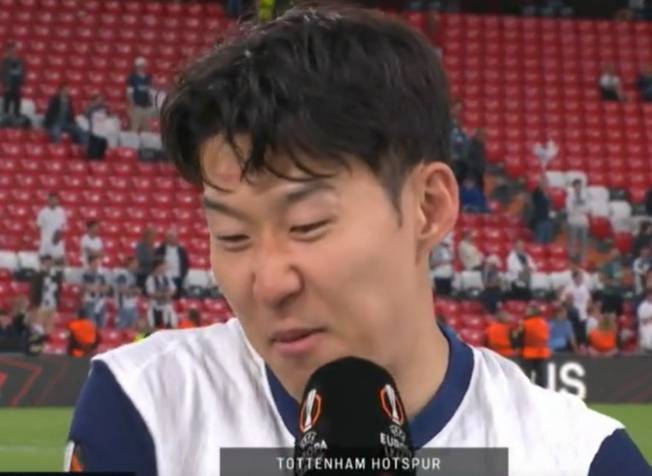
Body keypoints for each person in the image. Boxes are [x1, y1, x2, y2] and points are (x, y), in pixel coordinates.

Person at [64, 5, 650, 475]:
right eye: (232, 234)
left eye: (307, 225)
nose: (268, 283)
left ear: (427, 207)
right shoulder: (145, 410)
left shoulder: (580, 459)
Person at [514, 305, 550, 388]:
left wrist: (518, 348)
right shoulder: (544, 322)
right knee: (541, 377)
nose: (526, 312)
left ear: (533, 312)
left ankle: (526, 392)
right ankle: (542, 392)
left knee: (526, 376)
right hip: (542, 352)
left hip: (528, 352)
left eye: (528, 311)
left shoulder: (525, 323)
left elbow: (518, 336)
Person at [155, 228, 189, 299]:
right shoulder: (160, 250)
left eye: (173, 237)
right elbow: (156, 263)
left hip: (178, 278)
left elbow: (186, 263)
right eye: (169, 237)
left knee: (176, 298)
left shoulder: (181, 250)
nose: (171, 239)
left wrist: (183, 274)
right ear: (166, 238)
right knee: (164, 298)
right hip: (164, 278)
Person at [145, 259, 178, 330]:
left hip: (167, 305)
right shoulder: (151, 278)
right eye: (163, 266)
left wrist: (169, 294)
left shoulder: (167, 277)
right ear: (157, 267)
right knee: (156, 327)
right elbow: (150, 293)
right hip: (156, 307)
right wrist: (163, 295)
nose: (165, 268)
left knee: (171, 325)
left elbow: (173, 289)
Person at [126, 57, 154, 133]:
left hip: (146, 106)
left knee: (146, 128)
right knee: (135, 126)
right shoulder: (132, 78)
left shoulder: (148, 78)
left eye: (144, 65)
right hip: (137, 106)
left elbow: (150, 92)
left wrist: (151, 103)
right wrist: (132, 104)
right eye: (141, 65)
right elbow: (129, 92)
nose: (143, 67)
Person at [81, 255, 109, 329]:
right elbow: (87, 287)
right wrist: (99, 288)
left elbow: (107, 288)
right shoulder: (86, 273)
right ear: (90, 263)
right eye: (95, 262)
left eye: (98, 262)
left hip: (101, 302)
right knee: (91, 324)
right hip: (90, 302)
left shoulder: (103, 273)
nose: (97, 264)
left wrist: (96, 288)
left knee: (101, 324)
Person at [565, 178, 590, 262]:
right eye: (577, 185)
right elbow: (569, 209)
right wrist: (580, 209)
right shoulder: (570, 197)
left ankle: (583, 258)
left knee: (584, 241)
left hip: (583, 221)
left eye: (580, 185)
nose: (579, 187)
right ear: (574, 186)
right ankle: (571, 256)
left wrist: (578, 209)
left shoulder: (585, 196)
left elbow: (587, 209)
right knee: (572, 240)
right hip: (573, 221)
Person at [113, 257, 140, 330]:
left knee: (132, 329)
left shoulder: (132, 275)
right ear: (130, 263)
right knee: (122, 328)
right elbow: (121, 289)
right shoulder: (122, 274)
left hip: (132, 304)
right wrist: (135, 291)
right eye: (135, 263)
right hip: (123, 305)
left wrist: (135, 291)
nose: (137, 265)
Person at [36, 193, 66, 257]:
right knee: (45, 258)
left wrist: (58, 235)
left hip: (57, 241)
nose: (54, 201)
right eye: (52, 200)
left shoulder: (61, 211)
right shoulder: (43, 212)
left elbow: (62, 225)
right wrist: (44, 237)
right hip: (46, 241)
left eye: (56, 200)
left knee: (60, 258)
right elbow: (39, 226)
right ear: (48, 200)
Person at [1, 42, 25, 117]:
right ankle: (5, 119)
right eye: (11, 49)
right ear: (8, 50)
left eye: (14, 49)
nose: (13, 51)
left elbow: (22, 72)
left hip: (17, 85)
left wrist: (22, 83)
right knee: (7, 104)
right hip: (9, 85)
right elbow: (3, 73)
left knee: (17, 103)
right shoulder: (5, 61)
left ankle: (16, 118)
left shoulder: (20, 60)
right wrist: (5, 84)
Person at [135, 227, 157, 291]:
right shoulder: (140, 246)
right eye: (152, 236)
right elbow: (140, 259)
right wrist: (154, 259)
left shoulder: (152, 246)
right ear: (147, 236)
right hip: (142, 274)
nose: (154, 238)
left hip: (151, 274)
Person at [637, 288, 652, 353]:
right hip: (646, 328)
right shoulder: (643, 306)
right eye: (650, 295)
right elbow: (644, 321)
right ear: (646, 296)